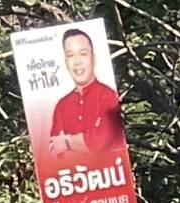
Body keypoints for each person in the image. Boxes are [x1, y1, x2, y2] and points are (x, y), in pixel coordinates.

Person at [47, 28, 126, 161]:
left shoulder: (108, 95)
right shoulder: (62, 105)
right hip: (73, 177)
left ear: (93, 58)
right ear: (65, 61)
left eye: (83, 54)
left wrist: (67, 142)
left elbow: (103, 139)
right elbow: (55, 152)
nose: (77, 61)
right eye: (70, 55)